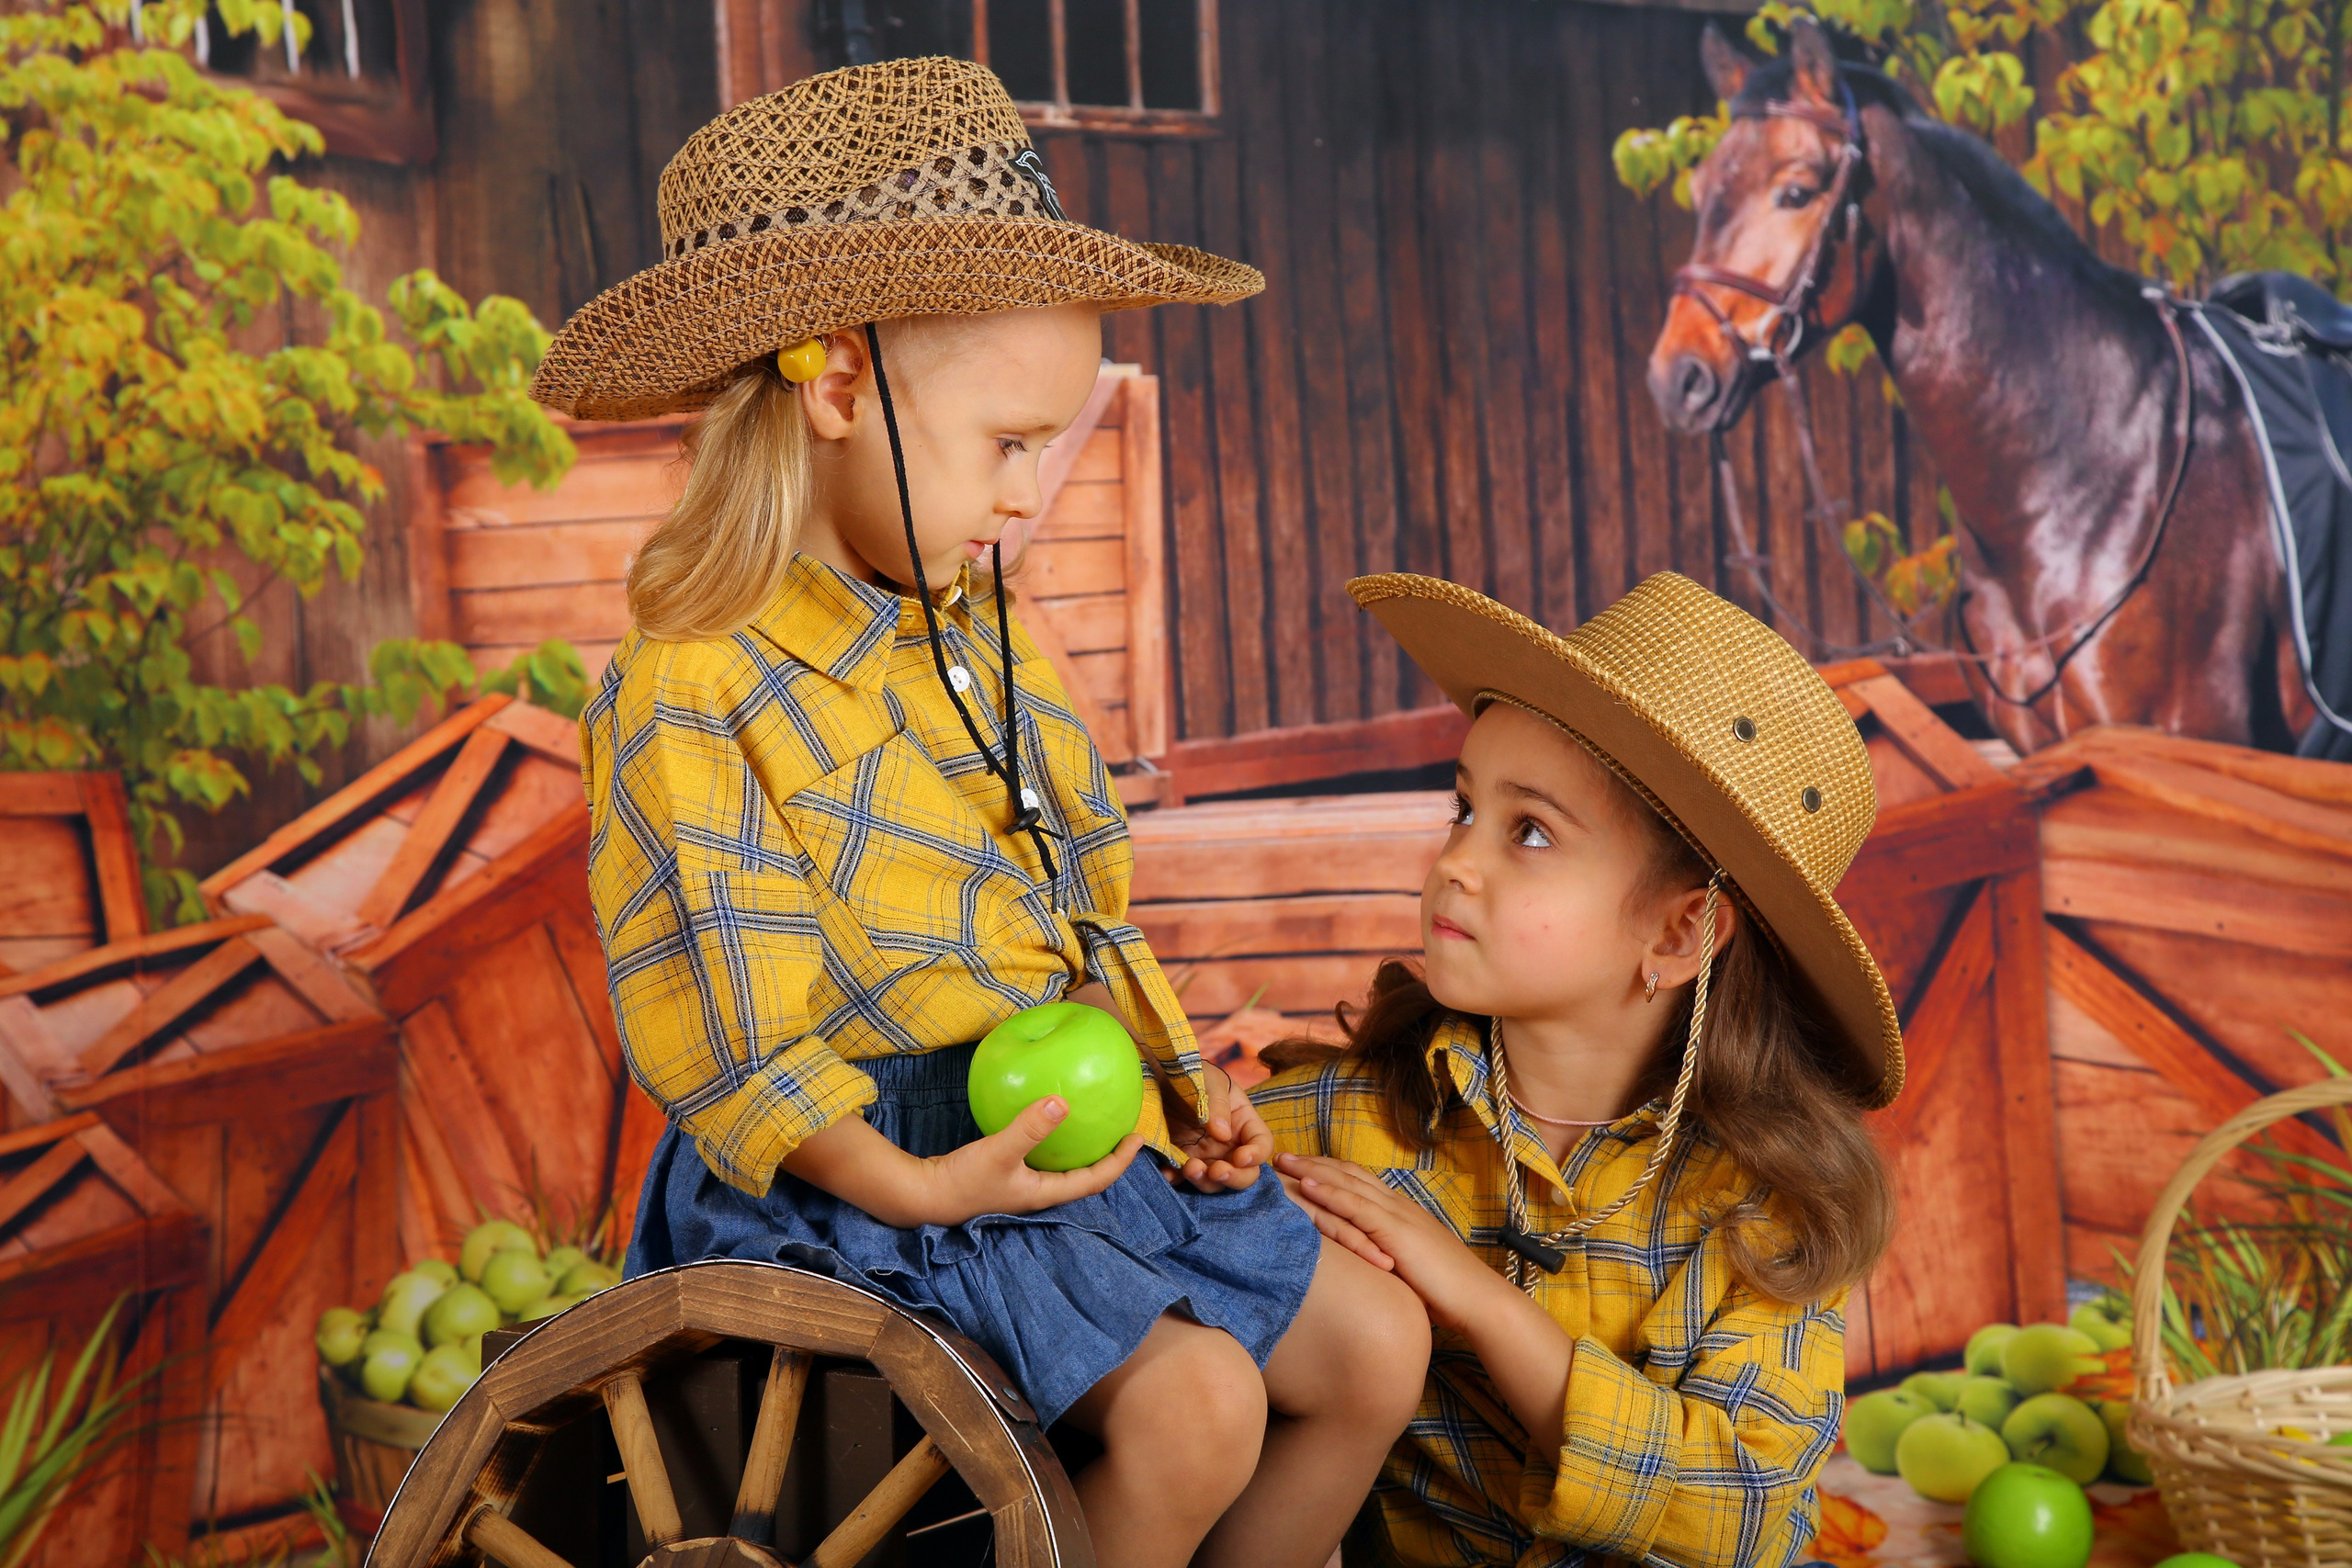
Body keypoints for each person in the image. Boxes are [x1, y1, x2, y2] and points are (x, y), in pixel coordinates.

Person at [534, 57, 1429, 1568]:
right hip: (858, 1183)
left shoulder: (975, 632)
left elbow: (1072, 910)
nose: (1029, 495)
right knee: (1198, 1407)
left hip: (1037, 1129)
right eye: (1007, 444)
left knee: (1376, 1350)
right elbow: (739, 1036)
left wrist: (1171, 1084)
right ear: (835, 387)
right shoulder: (697, 683)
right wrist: (923, 1181)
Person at [1253, 571, 1902, 1566]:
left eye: (1531, 831)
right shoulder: (1334, 1123)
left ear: (1680, 933)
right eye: (1463, 809)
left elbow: (1748, 1518)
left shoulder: (1767, 1207)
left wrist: (1481, 1305)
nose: (1455, 862)